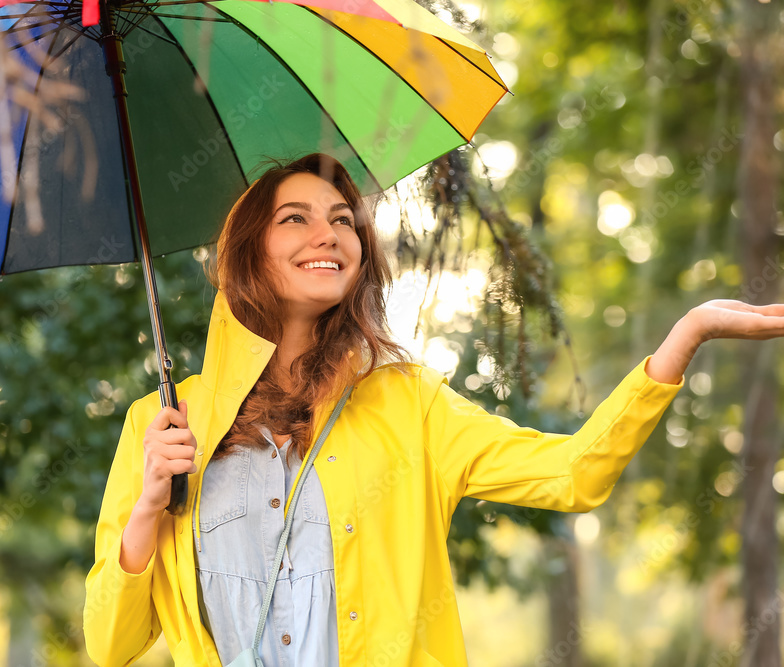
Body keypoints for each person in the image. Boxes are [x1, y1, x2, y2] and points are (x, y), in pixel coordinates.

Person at [83, 153, 784, 667]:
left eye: (342, 221)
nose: (327, 235)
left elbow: (574, 473)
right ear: (248, 250)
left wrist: (683, 338)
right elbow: (109, 644)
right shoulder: (166, 422)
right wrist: (147, 505)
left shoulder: (408, 400)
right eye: (294, 219)